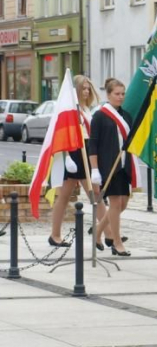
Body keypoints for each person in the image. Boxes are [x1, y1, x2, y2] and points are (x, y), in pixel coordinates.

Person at [49, 75, 111, 249]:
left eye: (88, 88)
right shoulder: (70, 109)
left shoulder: (86, 108)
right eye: (83, 88)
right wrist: (68, 156)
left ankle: (108, 233)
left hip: (86, 149)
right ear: (75, 90)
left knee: (95, 195)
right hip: (75, 151)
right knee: (69, 196)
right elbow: (63, 133)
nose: (86, 91)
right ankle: (55, 234)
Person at [89, 78, 138, 257]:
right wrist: (94, 169)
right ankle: (117, 243)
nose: (120, 97)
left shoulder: (127, 116)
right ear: (108, 95)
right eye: (117, 94)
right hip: (108, 166)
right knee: (116, 203)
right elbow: (93, 144)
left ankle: (98, 231)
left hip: (124, 165)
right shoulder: (100, 116)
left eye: (123, 94)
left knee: (123, 203)